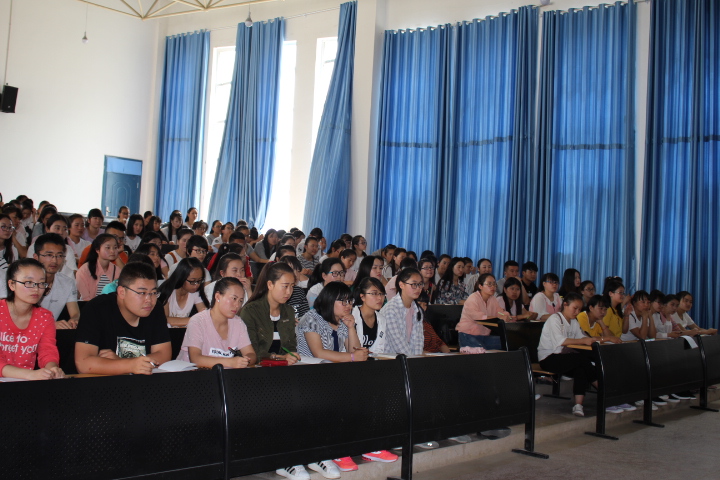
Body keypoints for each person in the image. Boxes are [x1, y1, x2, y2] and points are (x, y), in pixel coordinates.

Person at [74, 262, 172, 375]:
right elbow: (83, 364)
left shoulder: (155, 309)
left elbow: (164, 355)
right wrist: (130, 365)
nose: (149, 300)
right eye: (142, 293)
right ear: (121, 292)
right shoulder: (96, 309)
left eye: (153, 293)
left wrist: (123, 362)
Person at [0, 258, 64, 380]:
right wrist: (31, 374)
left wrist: (52, 369)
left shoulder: (45, 317)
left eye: (41, 283)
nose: (36, 289)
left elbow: (47, 350)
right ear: (12, 284)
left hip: (25, 382)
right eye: (28, 282)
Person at [537, 293, 599, 417]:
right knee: (582, 359)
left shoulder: (573, 322)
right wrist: (583, 341)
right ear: (565, 305)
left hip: (564, 357)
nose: (577, 312)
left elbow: (581, 337)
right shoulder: (555, 319)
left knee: (581, 368)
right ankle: (603, 389)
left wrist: (600, 339)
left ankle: (578, 405)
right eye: (575, 308)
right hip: (549, 358)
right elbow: (561, 341)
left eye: (579, 309)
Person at [177, 277, 256, 367]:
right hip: (192, 373)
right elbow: (195, 359)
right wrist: (230, 362)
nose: (237, 305)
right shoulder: (198, 321)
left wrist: (245, 360)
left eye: (241, 301)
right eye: (234, 298)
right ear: (218, 296)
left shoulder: (238, 323)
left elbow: (251, 354)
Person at [241, 263, 299, 364]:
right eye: (285, 286)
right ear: (270, 285)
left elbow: (291, 346)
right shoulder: (250, 311)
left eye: (292, 286)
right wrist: (280, 358)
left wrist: (291, 356)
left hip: (283, 366)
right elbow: (252, 352)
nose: (289, 292)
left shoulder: (288, 311)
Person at [29, 234, 80, 328]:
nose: (54, 261)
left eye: (59, 256)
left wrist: (74, 320)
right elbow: (20, 320)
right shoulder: (26, 283)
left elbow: (75, 313)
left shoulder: (67, 282)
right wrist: (50, 325)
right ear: (36, 257)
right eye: (49, 255)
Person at [371, 267, 425, 356]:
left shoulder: (417, 310)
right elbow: (398, 344)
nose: (418, 288)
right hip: (388, 358)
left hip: (408, 359)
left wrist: (416, 358)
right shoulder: (391, 310)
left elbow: (418, 340)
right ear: (401, 285)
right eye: (414, 284)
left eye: (420, 284)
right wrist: (412, 359)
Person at [457, 273, 507, 350]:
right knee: (480, 352)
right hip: (468, 335)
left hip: (485, 336)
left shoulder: (493, 299)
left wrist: (506, 316)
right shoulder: (473, 298)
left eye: (494, 284)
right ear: (480, 286)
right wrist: (497, 318)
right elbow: (477, 317)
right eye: (489, 284)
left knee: (507, 342)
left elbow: (500, 312)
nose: (493, 287)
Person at [158, 258, 209, 327]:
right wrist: (195, 319)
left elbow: (204, 316)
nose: (197, 285)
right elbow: (164, 319)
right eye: (192, 281)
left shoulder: (195, 292)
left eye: (200, 281)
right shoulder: (167, 291)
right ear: (181, 278)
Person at [76, 234, 122, 301]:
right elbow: (84, 298)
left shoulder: (117, 270)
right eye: (108, 248)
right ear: (97, 250)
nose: (112, 251)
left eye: (115, 247)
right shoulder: (84, 270)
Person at [351, 277, 385, 349]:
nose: (380, 298)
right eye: (374, 293)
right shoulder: (351, 316)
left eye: (382, 294)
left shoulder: (382, 319)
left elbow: (380, 348)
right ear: (362, 296)